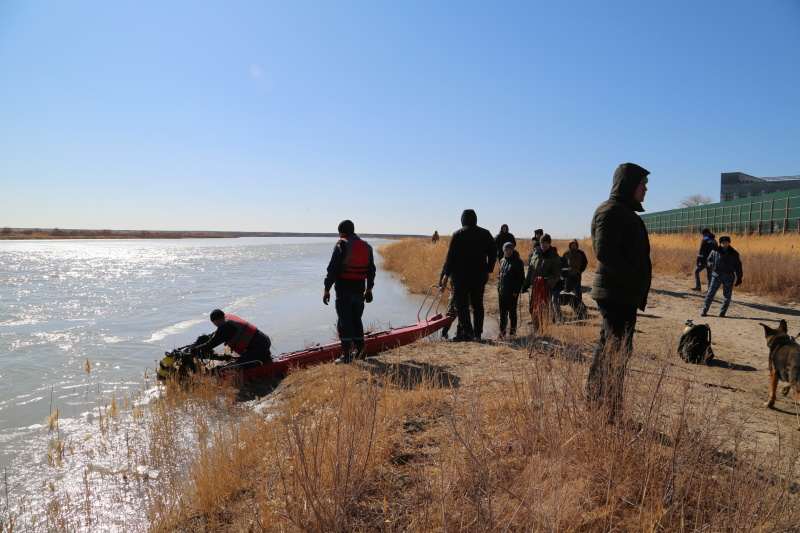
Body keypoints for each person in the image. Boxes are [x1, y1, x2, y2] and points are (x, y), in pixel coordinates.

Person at [586, 163, 652, 421]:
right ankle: (602, 407)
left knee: (616, 350)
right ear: (628, 185)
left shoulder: (623, 211)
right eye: (641, 185)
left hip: (623, 293)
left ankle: (607, 406)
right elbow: (605, 252)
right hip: (616, 293)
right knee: (613, 351)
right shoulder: (611, 211)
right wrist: (633, 280)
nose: (645, 189)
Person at [323, 220, 376, 363]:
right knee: (356, 320)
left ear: (341, 232)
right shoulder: (367, 246)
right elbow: (372, 270)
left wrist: (326, 290)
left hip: (344, 290)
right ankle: (359, 351)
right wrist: (369, 289)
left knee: (344, 321)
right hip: (359, 290)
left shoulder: (341, 244)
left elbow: (332, 270)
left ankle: (345, 356)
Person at [440, 209, 496, 342]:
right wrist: (489, 270)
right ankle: (477, 333)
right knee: (478, 305)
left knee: (462, 306)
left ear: (462, 220)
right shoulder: (485, 233)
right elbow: (494, 253)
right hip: (479, 276)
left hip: (461, 278)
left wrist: (446, 275)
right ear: (475, 219)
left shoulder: (458, 234)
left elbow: (450, 257)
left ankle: (468, 334)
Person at [192, 309, 272, 370]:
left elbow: (211, 344)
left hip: (259, 346)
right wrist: (196, 343)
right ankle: (261, 356)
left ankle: (259, 359)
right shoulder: (226, 321)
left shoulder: (226, 328)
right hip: (262, 341)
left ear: (217, 320)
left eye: (214, 323)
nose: (215, 325)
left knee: (237, 367)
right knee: (243, 360)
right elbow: (215, 335)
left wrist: (195, 350)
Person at [521, 234, 561, 330]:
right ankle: (536, 330)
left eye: (547, 243)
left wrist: (544, 281)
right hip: (535, 287)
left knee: (543, 309)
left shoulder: (554, 256)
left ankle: (543, 330)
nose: (544, 245)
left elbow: (556, 274)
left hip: (545, 288)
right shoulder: (535, 254)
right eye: (543, 242)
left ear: (550, 244)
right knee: (532, 308)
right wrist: (525, 284)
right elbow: (530, 271)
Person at [701, 236, 743, 317]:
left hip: (729, 276)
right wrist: (711, 265)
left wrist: (739, 277)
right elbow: (709, 260)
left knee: (727, 296)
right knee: (710, 294)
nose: (725, 244)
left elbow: (738, 266)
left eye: (726, 242)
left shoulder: (734, 253)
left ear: (729, 243)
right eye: (723, 242)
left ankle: (722, 312)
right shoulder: (714, 251)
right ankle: (704, 310)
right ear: (720, 243)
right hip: (717, 275)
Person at [497, 242, 524, 337]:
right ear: (503, 250)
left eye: (510, 249)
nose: (508, 251)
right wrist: (498, 288)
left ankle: (512, 332)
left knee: (512, 313)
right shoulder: (502, 260)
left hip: (512, 293)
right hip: (502, 292)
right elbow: (499, 276)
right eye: (506, 249)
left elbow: (521, 279)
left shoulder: (518, 262)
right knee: (502, 313)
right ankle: (502, 332)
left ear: (513, 250)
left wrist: (516, 291)